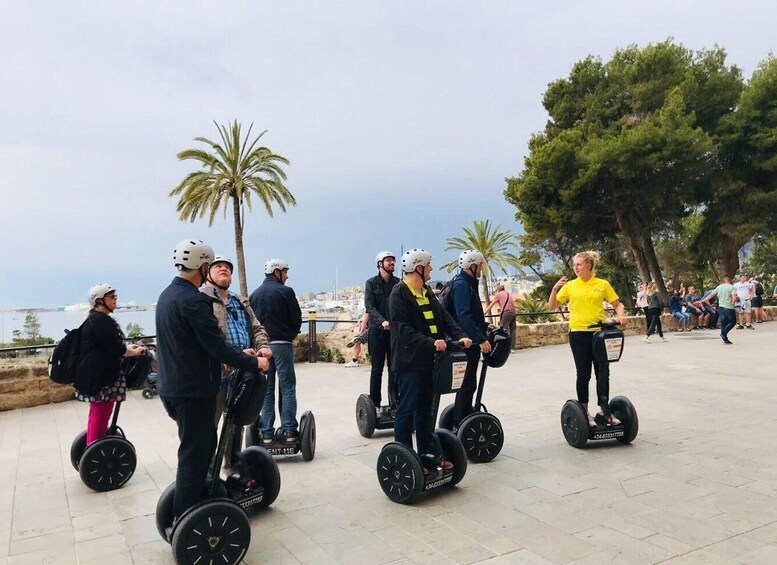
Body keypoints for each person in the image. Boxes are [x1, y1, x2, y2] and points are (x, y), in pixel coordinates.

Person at [156, 239, 269, 521]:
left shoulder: (168, 295)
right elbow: (217, 346)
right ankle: (187, 518)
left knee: (203, 447)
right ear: (203, 266)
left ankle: (197, 501)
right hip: (193, 392)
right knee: (193, 458)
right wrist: (255, 362)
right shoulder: (194, 300)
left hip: (174, 388)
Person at [389, 248, 471, 472]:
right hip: (409, 362)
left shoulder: (426, 291)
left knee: (425, 409)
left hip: (429, 361)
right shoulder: (399, 293)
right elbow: (402, 329)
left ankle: (426, 455)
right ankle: (404, 458)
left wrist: (460, 335)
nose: (431, 269)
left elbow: (444, 317)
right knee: (407, 409)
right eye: (429, 266)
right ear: (418, 268)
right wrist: (431, 342)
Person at [201, 256, 272, 467]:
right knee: (209, 425)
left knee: (236, 422)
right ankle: (207, 472)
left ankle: (232, 466)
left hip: (243, 371)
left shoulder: (239, 301)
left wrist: (263, 347)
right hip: (216, 373)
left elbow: (256, 327)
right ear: (207, 273)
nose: (224, 269)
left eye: (228, 268)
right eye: (218, 267)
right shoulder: (202, 300)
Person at [548, 251, 627, 427]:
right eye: (574, 265)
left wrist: (621, 315)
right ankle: (584, 412)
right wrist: (555, 289)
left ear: (589, 266)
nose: (575, 268)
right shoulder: (570, 286)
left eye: (579, 264)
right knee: (584, 373)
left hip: (599, 334)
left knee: (603, 372)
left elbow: (617, 304)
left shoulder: (602, 284)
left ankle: (604, 410)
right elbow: (552, 306)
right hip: (578, 334)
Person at [74, 283, 147, 445]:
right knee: (101, 413)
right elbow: (116, 348)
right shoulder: (100, 320)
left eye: (115, 296)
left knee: (97, 413)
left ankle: (92, 446)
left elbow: (108, 345)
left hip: (98, 375)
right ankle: (94, 449)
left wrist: (129, 348)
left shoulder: (95, 319)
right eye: (111, 297)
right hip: (103, 378)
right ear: (99, 301)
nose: (115, 300)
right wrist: (135, 351)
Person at [250, 258, 303, 444]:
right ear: (276, 272)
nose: (287, 276)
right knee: (287, 386)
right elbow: (297, 318)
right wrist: (290, 335)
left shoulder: (254, 295)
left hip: (262, 348)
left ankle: (266, 433)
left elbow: (251, 324)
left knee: (267, 388)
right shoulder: (286, 292)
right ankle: (289, 430)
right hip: (281, 344)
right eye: (285, 272)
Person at [449, 250, 491, 428]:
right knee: (467, 384)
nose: (482, 268)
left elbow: (471, 314)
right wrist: (480, 339)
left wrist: (486, 326)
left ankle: (463, 416)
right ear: (473, 266)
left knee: (469, 383)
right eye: (481, 265)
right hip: (467, 343)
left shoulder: (467, 283)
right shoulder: (462, 285)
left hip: (470, 340)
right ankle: (460, 421)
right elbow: (464, 315)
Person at [364, 251, 400, 415]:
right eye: (388, 260)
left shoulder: (398, 283)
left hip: (393, 334)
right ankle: (375, 406)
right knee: (377, 369)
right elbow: (370, 307)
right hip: (377, 332)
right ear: (380, 264)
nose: (392, 263)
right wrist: (382, 321)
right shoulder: (371, 283)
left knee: (394, 368)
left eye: (393, 260)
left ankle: (395, 403)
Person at [703, 275, 738, 344]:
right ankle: (723, 334)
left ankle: (725, 338)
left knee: (724, 323)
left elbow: (710, 296)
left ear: (724, 280)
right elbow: (734, 298)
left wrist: (705, 302)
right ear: (730, 280)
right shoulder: (732, 287)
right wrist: (734, 302)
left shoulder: (719, 287)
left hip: (721, 307)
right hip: (729, 307)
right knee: (732, 322)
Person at [486, 283, 517, 351]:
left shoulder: (499, 295)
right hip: (513, 312)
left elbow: (492, 303)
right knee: (513, 331)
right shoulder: (509, 294)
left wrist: (485, 312)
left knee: (502, 331)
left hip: (506, 313)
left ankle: (503, 347)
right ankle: (512, 348)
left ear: (498, 290)